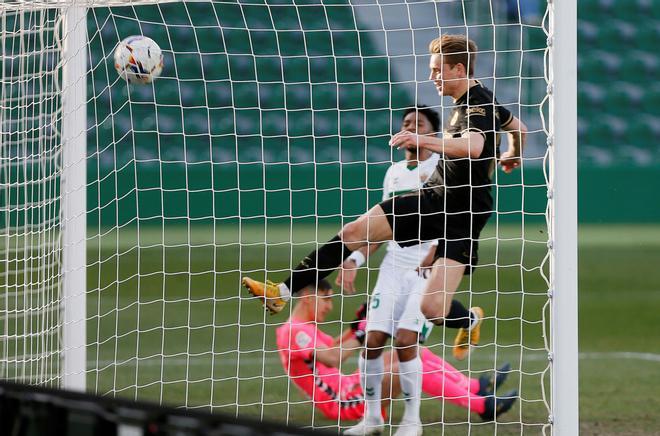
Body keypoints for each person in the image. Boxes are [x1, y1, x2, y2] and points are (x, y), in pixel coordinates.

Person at [245, 33, 526, 370]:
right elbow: (519, 127)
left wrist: (422, 139)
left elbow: (474, 147)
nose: (432, 77)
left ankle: (468, 321)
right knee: (354, 232)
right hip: (434, 197)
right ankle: (282, 292)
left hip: (465, 212)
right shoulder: (482, 100)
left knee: (432, 310)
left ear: (458, 69)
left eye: (438, 70)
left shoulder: (476, 104)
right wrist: (513, 154)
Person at [339, 106, 464, 435]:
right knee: (372, 340)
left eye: (417, 124)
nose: (409, 128)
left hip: (429, 269)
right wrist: (354, 260)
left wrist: (437, 253)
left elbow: (456, 220)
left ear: (433, 134)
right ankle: (372, 418)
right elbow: (381, 229)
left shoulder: (442, 166)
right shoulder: (393, 172)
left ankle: (412, 420)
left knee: (406, 340)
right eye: (406, 123)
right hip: (394, 265)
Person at [276, 279, 517, 430]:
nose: (329, 306)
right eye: (325, 299)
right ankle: (483, 406)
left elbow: (336, 348)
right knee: (407, 367)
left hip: (351, 385)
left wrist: (356, 326)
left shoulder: (304, 329)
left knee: (414, 353)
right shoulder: (293, 332)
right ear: (307, 297)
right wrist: (364, 331)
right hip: (342, 402)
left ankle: (475, 387)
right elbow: (332, 358)